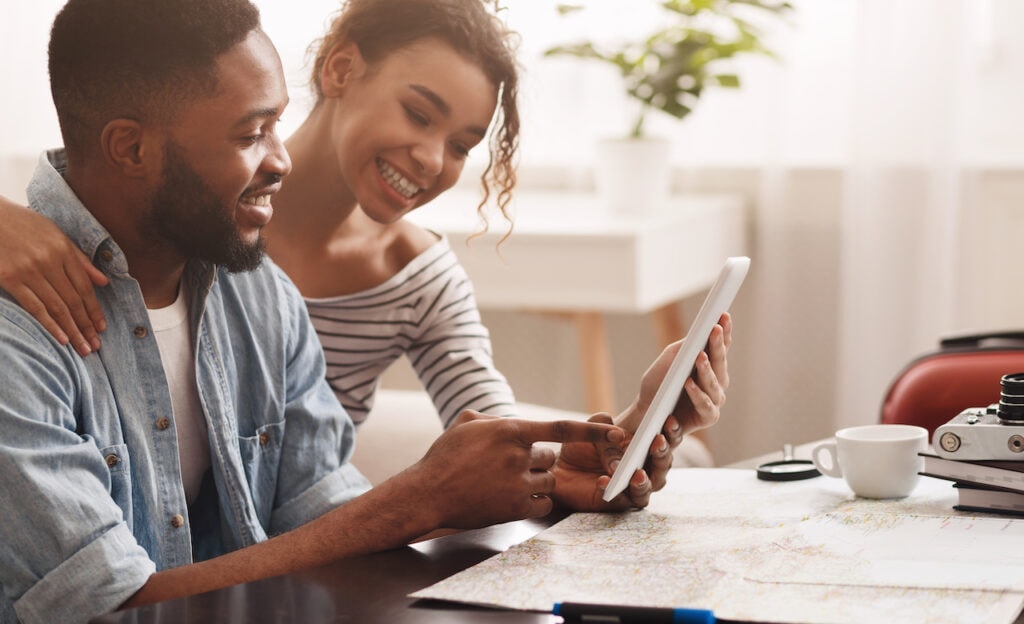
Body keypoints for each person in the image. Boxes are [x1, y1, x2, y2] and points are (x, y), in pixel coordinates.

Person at [0, 1, 730, 622]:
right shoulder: (20, 326)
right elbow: (107, 608)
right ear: (129, 148)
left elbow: (328, 516)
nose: (278, 161)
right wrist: (416, 500)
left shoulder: (255, 288)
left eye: (277, 126)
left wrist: (584, 456)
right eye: (250, 134)